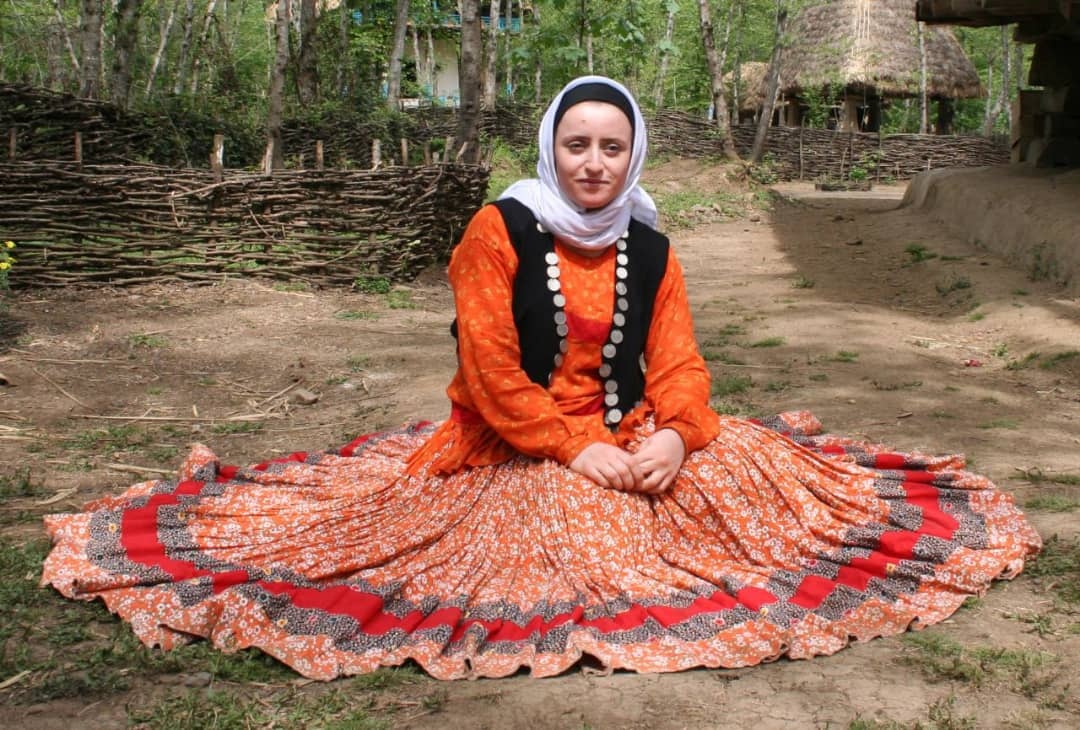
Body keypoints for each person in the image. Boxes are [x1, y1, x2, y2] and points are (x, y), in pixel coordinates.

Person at [42, 77, 1040, 681]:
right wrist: (580, 447)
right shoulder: (497, 231)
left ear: (634, 151)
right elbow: (488, 371)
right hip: (516, 441)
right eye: (578, 146)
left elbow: (681, 359)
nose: (595, 165)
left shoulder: (649, 240)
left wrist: (670, 436)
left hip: (632, 429)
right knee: (573, 526)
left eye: (613, 147)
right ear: (550, 150)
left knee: (743, 474)